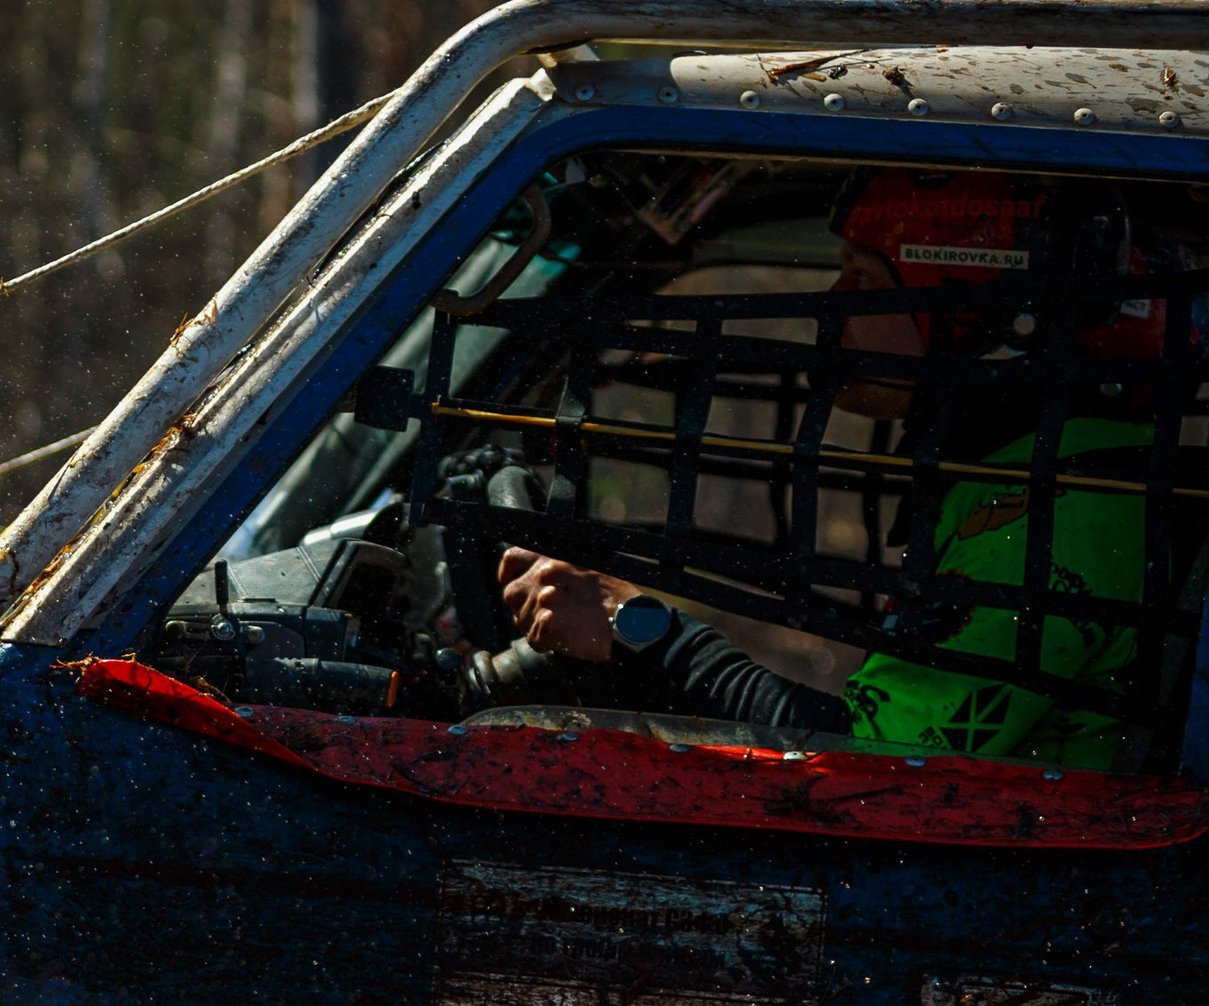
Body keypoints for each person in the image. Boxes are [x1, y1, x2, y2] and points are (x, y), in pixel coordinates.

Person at [492, 169, 1158, 769]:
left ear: (975, 307)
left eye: (864, 277)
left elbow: (870, 764)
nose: (834, 304)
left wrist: (633, 623)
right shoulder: (1033, 476)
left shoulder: (1060, 511)